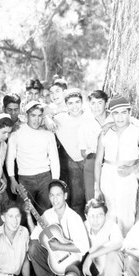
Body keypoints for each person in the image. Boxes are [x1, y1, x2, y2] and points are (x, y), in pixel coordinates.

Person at [95, 94, 139, 236]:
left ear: (129, 113)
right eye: (116, 113)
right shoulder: (105, 133)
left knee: (127, 215)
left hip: (128, 177)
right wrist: (97, 187)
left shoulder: (138, 132)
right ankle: (111, 251)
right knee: (110, 214)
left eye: (124, 112)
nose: (120, 117)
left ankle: (127, 250)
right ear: (111, 114)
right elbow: (98, 162)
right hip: (108, 175)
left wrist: (132, 168)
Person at [27, 180, 89, 276]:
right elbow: (34, 236)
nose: (55, 199)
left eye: (58, 195)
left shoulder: (74, 217)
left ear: (65, 196)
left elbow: (84, 247)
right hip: (53, 257)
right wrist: (28, 215)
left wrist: (60, 246)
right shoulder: (47, 215)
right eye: (52, 195)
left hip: (71, 260)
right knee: (33, 247)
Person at [6, 101, 60, 214]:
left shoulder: (48, 134)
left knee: (45, 213)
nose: (37, 119)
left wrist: (55, 181)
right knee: (23, 214)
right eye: (33, 115)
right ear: (26, 116)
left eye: (40, 116)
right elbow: (10, 158)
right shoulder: (17, 132)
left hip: (45, 177)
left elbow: (54, 159)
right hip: (25, 179)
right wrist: (12, 179)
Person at [53, 88, 87, 217]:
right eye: (70, 103)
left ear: (82, 102)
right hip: (73, 162)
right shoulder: (60, 118)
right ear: (66, 105)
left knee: (91, 196)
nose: (74, 106)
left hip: (89, 160)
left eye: (77, 102)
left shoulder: (89, 116)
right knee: (77, 198)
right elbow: (46, 113)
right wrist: (47, 118)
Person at [79, 90, 110, 200]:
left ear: (106, 104)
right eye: (93, 103)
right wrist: (90, 154)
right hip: (92, 163)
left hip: (110, 163)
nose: (96, 107)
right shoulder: (85, 125)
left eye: (100, 103)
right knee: (92, 199)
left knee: (110, 198)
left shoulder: (114, 120)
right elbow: (82, 151)